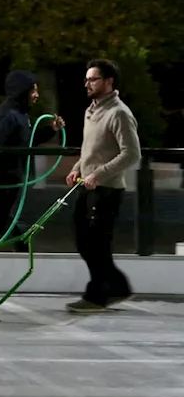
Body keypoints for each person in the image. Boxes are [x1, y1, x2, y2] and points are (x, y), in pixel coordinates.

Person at [65, 58, 139, 313]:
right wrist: (77, 169)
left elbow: (131, 154)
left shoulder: (119, 113)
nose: (87, 83)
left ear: (109, 82)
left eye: (93, 79)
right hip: (87, 187)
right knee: (84, 242)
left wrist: (99, 174)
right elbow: (91, 150)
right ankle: (118, 287)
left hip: (107, 191)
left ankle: (96, 297)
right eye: (86, 79)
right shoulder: (91, 111)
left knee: (96, 245)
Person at [0, 70, 65, 246]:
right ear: (22, 91)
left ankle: (16, 244)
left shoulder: (20, 114)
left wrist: (51, 130)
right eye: (33, 90)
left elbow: (27, 142)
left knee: (2, 218)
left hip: (11, 177)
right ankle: (19, 243)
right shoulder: (7, 116)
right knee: (0, 219)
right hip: (3, 179)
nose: (36, 95)